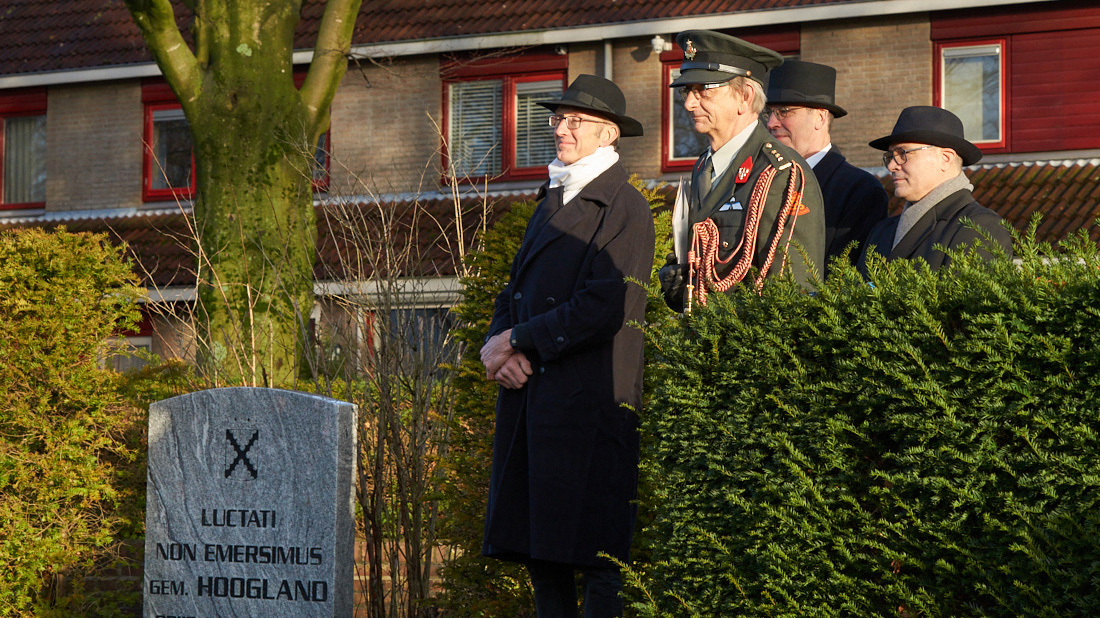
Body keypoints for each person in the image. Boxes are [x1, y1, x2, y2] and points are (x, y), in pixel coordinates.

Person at [479, 74, 655, 618]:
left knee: (597, 555)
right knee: (543, 554)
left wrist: (521, 341)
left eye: (575, 121)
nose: (561, 129)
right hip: (536, 397)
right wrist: (501, 348)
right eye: (559, 118)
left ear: (608, 135)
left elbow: (604, 307)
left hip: (589, 403)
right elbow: (516, 288)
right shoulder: (551, 196)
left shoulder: (624, 207)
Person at [658, 30, 825, 312]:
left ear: (745, 97)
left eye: (704, 90)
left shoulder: (780, 172)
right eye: (688, 91)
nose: (688, 103)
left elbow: (790, 296)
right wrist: (681, 287)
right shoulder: (703, 167)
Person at [764, 59, 888, 273]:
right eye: (769, 113)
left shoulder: (860, 191)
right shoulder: (764, 182)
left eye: (784, 111)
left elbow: (845, 279)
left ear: (820, 118)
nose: (771, 123)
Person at [857, 105, 1013, 274]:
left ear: (945, 159)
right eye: (890, 157)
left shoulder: (978, 227)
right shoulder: (882, 231)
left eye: (903, 154)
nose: (892, 166)